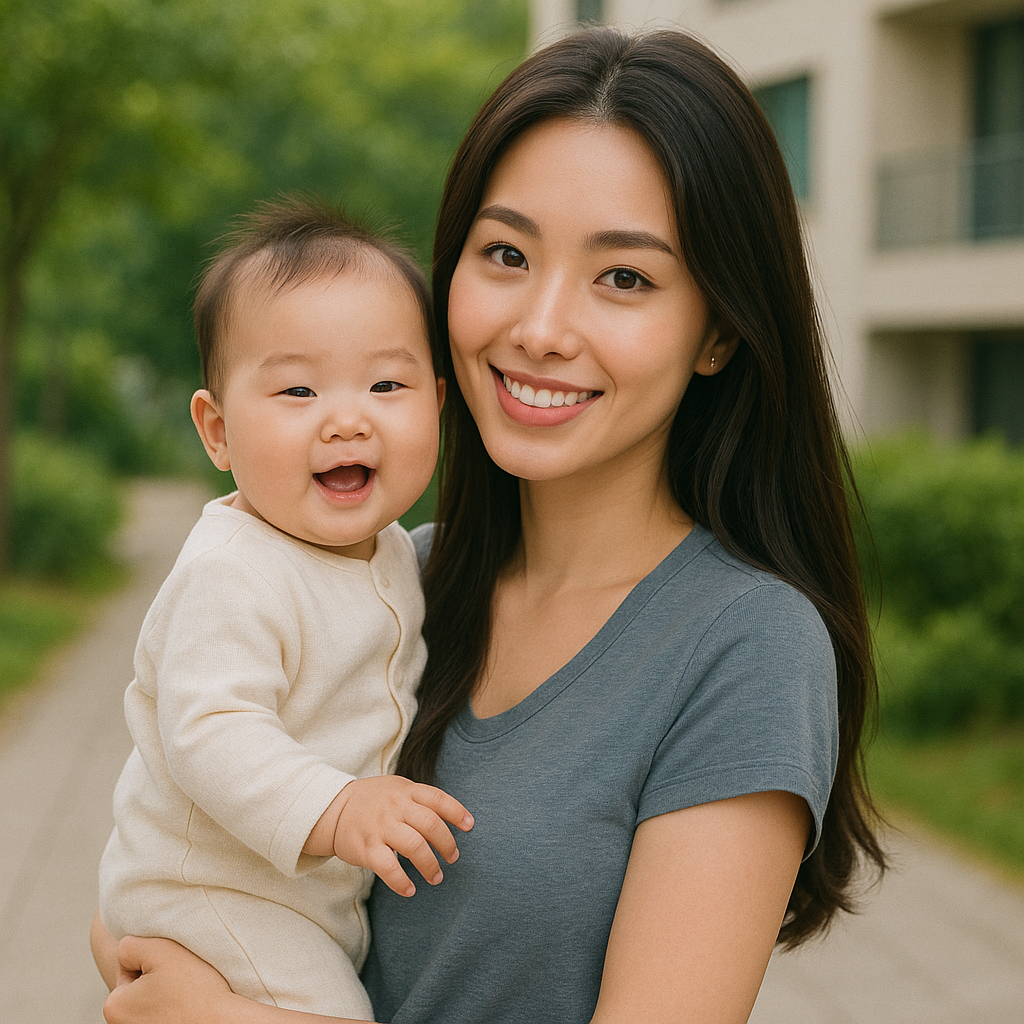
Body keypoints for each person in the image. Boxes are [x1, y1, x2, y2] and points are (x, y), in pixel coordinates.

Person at [94, 26, 886, 1024]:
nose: (541, 327)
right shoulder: (388, 576)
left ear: (719, 329)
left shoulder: (746, 647)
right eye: (505, 254)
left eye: (624, 278)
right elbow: (154, 901)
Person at [96, 196, 472, 1020]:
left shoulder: (394, 553)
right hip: (208, 895)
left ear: (437, 405)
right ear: (218, 431)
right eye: (298, 390)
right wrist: (338, 808)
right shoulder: (232, 571)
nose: (346, 418)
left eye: (386, 383)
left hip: (299, 900)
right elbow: (210, 731)